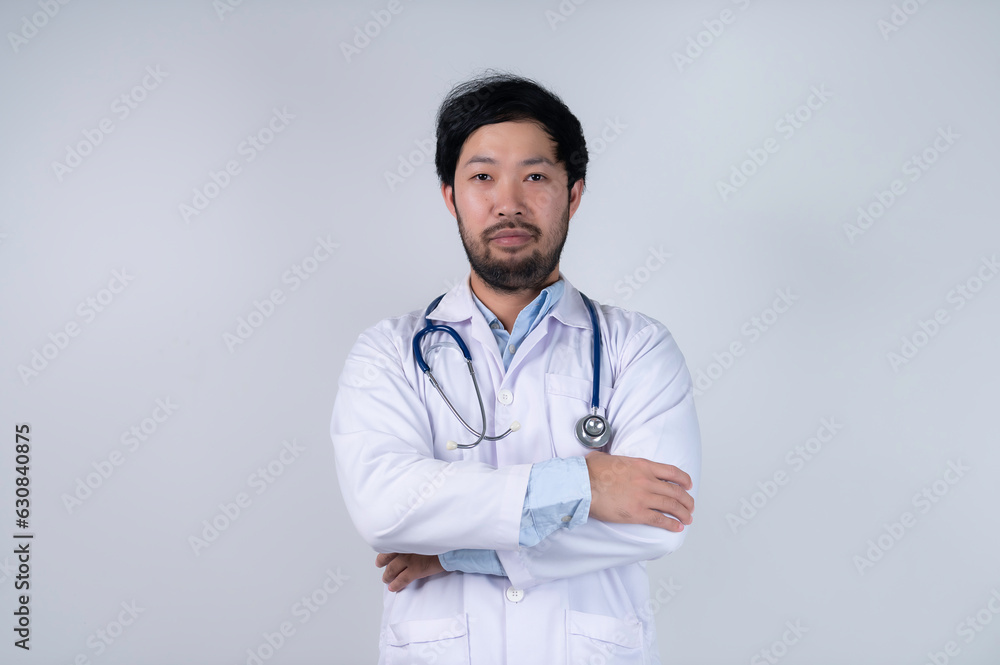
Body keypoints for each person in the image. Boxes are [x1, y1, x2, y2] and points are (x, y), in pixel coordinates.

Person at [330, 72, 701, 664]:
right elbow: (385, 506)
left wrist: (454, 553)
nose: (509, 203)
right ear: (451, 196)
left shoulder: (639, 348)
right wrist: (585, 484)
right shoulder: (389, 353)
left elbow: (656, 521)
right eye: (482, 177)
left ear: (573, 193)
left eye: (535, 176)